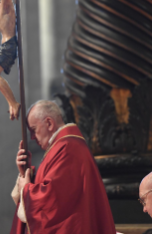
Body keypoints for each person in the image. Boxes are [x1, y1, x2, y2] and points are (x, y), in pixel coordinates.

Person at [10, 100, 116, 234]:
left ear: (49, 123)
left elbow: (53, 200)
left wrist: (26, 189)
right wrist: (26, 174)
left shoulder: (68, 148)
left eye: (34, 130)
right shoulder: (61, 146)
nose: (32, 138)